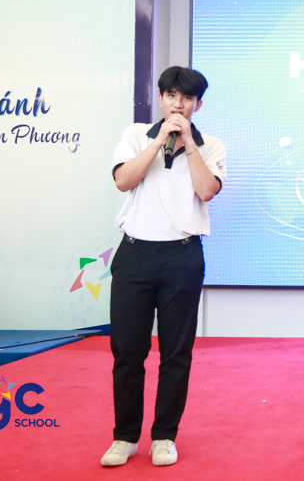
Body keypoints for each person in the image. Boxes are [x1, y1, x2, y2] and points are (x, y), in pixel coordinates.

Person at [100, 66, 227, 467]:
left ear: (197, 105)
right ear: (160, 98)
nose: (178, 104)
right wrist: (158, 142)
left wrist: (188, 143)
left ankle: (164, 436)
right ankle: (124, 437)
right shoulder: (136, 134)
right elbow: (124, 181)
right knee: (127, 352)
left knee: (176, 353)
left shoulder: (211, 146)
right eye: (171, 96)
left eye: (187, 98)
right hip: (135, 255)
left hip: (182, 258)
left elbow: (206, 191)